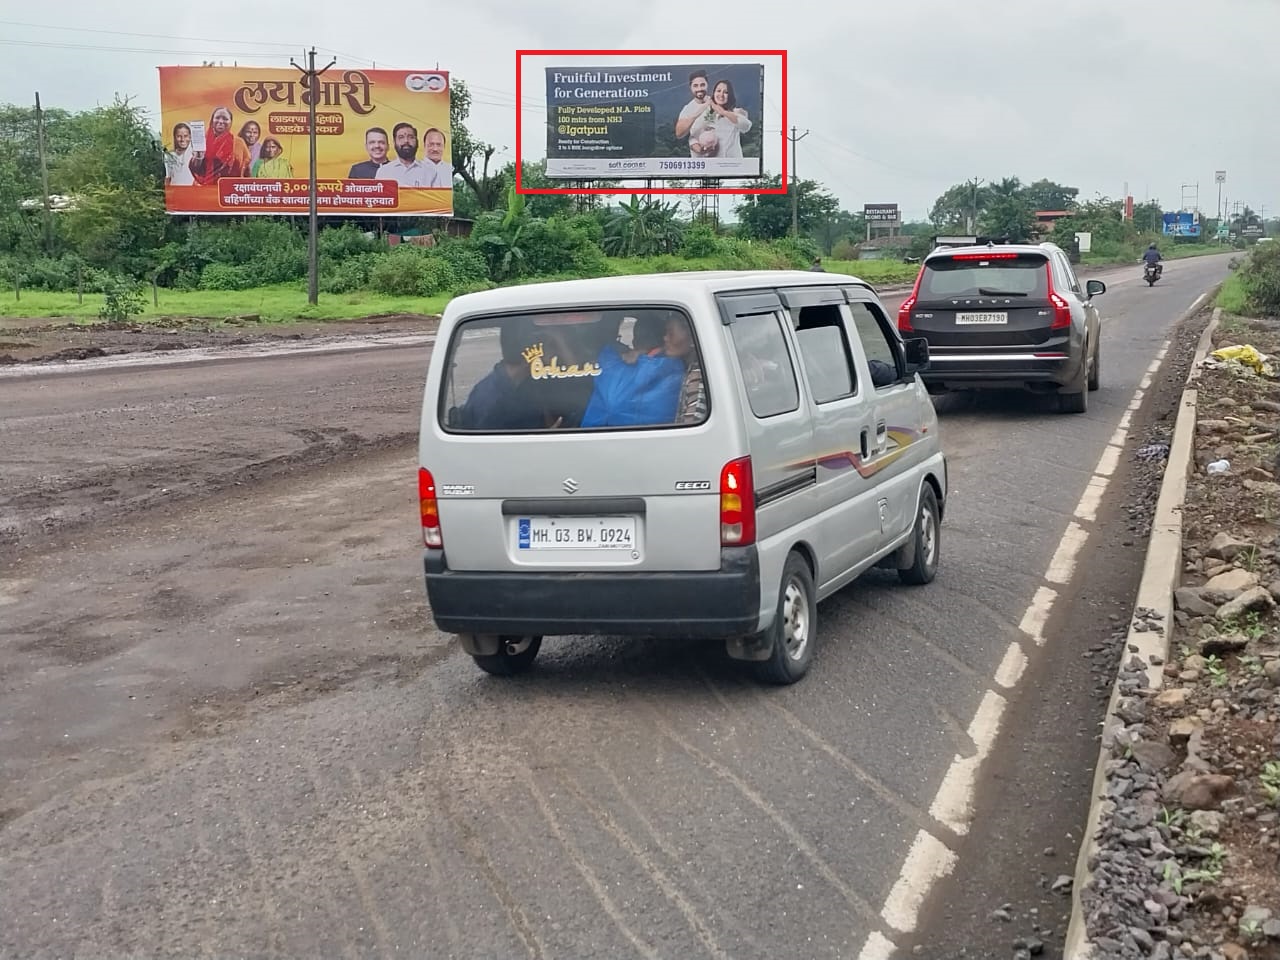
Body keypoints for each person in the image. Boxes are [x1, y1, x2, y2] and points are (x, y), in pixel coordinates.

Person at [580, 315, 685, 427]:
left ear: (635, 341)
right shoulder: (677, 366)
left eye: (670, 333)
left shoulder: (612, 364)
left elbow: (613, 407)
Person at [455, 322, 544, 430]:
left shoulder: (520, 383)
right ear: (531, 356)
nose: (553, 355)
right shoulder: (492, 404)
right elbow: (491, 446)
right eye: (546, 348)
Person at [689, 79, 753, 159]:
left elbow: (746, 126)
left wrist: (723, 112)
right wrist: (699, 149)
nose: (721, 95)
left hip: (733, 164)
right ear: (714, 93)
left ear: (730, 95)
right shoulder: (706, 113)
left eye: (726, 92)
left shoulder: (736, 112)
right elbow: (693, 135)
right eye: (718, 91)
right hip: (712, 164)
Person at [664, 313, 707, 424]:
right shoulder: (693, 367)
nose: (665, 338)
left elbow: (692, 424)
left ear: (693, 338)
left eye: (671, 333)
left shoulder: (697, 378)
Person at [189, 106, 251, 184]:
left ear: (230, 122)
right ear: (212, 120)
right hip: (203, 189)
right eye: (217, 117)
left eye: (225, 119)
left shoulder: (238, 143)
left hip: (229, 189)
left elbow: (245, 169)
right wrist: (198, 156)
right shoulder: (202, 140)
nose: (221, 121)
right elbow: (196, 169)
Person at [375, 122, 433, 186]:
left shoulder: (430, 171)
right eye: (401, 137)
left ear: (417, 141)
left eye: (411, 137)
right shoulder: (384, 172)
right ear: (394, 142)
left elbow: (438, 195)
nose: (406, 141)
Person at [674, 69, 711, 157]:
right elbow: (679, 133)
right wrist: (702, 108)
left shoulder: (717, 102)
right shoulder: (687, 109)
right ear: (691, 87)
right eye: (695, 86)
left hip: (721, 161)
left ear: (707, 85)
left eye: (702, 85)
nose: (699, 89)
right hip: (700, 163)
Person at [165, 122, 195, 186]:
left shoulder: (195, 155)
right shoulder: (169, 155)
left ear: (190, 137)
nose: (182, 139)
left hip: (192, 192)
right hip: (174, 192)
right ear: (174, 137)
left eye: (186, 136)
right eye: (179, 136)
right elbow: (167, 178)